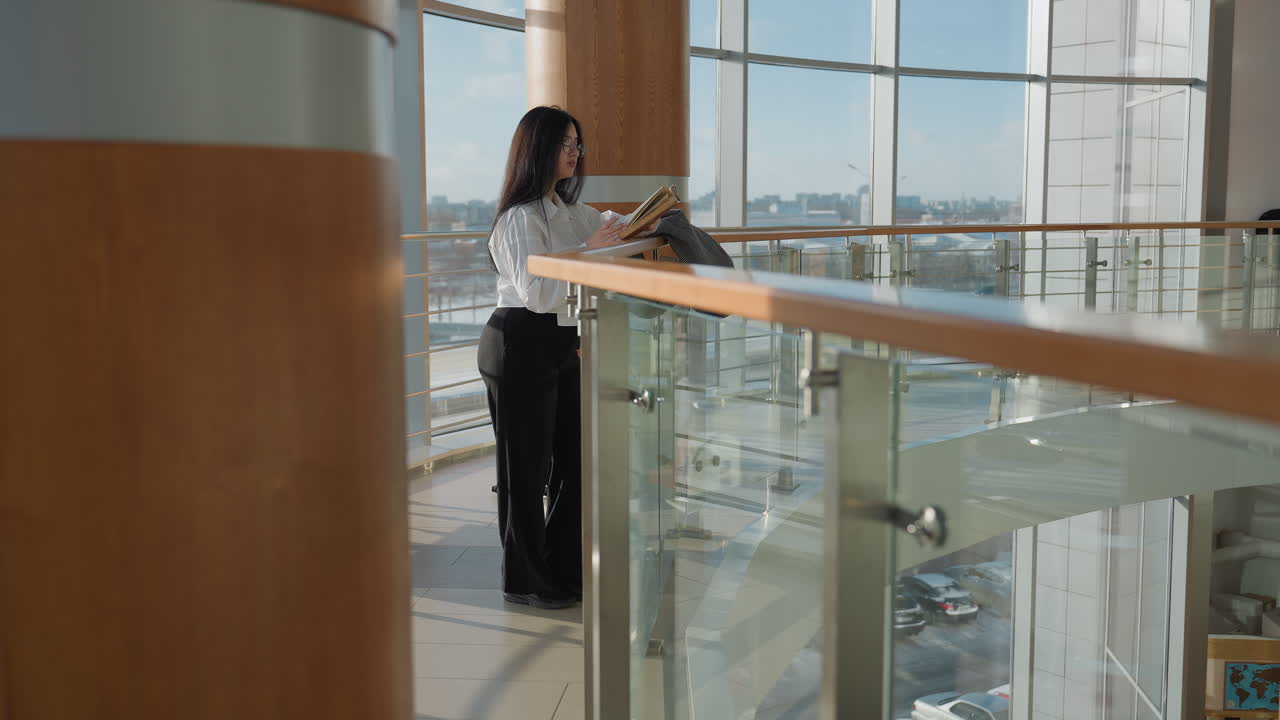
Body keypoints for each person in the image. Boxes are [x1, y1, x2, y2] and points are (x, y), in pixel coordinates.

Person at [478, 106, 644, 609]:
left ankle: (563, 564)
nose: (576, 153)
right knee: (525, 468)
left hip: (563, 342)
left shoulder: (572, 212)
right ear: (537, 149)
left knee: (576, 457)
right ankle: (526, 578)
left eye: (578, 144)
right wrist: (591, 252)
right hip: (519, 340)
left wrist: (648, 221)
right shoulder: (519, 218)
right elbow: (537, 292)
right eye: (565, 144)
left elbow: (620, 229)